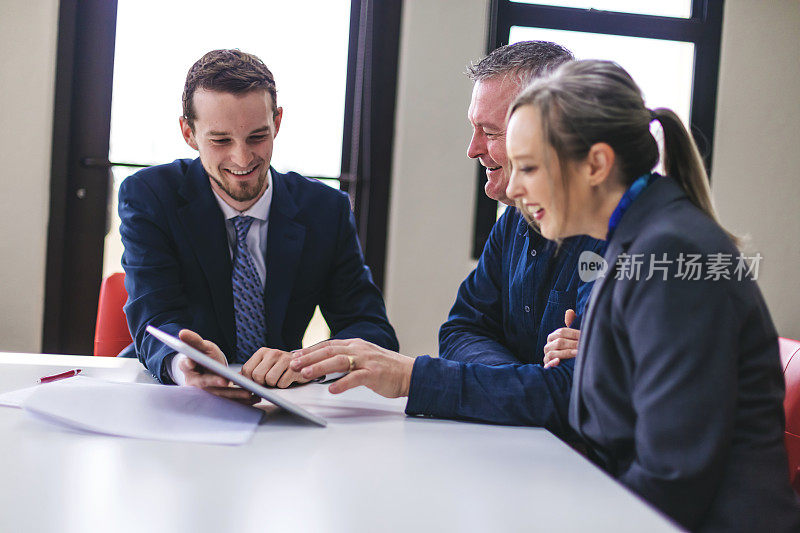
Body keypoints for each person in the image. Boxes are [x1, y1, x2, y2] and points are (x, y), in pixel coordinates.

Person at [290, 59, 800, 531]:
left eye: (529, 168)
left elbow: (671, 478)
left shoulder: (665, 256)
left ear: (597, 165)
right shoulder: (639, 240)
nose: (512, 189)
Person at [119, 49, 397, 395]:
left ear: (277, 123)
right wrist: (184, 362)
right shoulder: (150, 195)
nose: (242, 158)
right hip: (175, 394)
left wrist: (304, 363)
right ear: (188, 133)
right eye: (220, 140)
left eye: (257, 136)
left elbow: (370, 328)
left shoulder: (325, 209)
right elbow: (154, 318)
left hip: (282, 399)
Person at [440, 41, 604, 368]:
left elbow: (568, 391)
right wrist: (513, 380)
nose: (472, 149)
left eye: (490, 132)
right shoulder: (512, 222)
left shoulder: (616, 237)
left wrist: (411, 378)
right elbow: (461, 329)